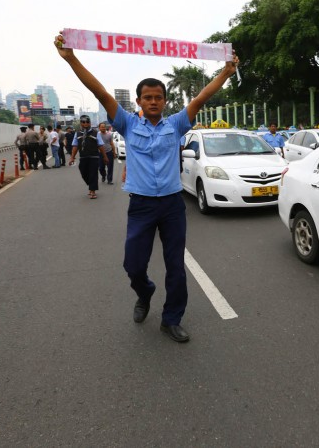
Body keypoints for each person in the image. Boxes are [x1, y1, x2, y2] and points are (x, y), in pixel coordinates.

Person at [55, 31, 238, 343]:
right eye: (148, 98)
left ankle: (171, 319)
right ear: (139, 101)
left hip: (171, 206)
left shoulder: (178, 123)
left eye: (159, 97)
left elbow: (202, 97)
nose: (153, 102)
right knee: (133, 265)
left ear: (165, 101)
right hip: (140, 206)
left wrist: (226, 72)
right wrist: (71, 58)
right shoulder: (126, 123)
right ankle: (145, 292)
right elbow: (99, 91)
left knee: (176, 268)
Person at [68, 115, 107, 198]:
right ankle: (91, 185)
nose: (85, 124)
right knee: (83, 173)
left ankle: (93, 191)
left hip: (94, 157)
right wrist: (72, 157)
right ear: (81, 123)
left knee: (93, 173)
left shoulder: (96, 133)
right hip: (83, 157)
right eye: (83, 122)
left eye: (87, 122)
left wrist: (105, 156)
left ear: (90, 123)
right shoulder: (77, 134)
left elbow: (100, 146)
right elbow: (75, 146)